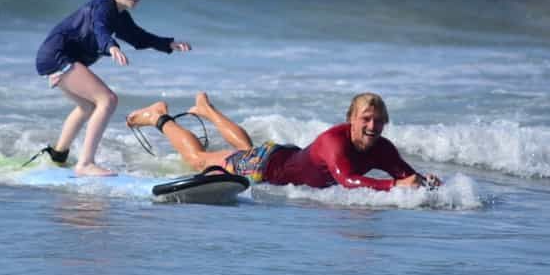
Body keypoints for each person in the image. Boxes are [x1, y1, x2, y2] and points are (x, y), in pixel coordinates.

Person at [35, 0, 192, 176]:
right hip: (58, 56)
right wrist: (111, 46)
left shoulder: (120, 16)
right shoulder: (103, 6)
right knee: (107, 100)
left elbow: (139, 37)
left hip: (56, 57)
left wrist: (168, 44)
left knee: (88, 107)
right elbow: (99, 27)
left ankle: (58, 155)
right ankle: (85, 164)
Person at [127, 92, 441, 191]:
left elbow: (404, 174)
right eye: (366, 119)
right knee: (199, 159)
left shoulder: (382, 147)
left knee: (243, 149)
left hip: (281, 156)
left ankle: (208, 110)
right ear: (351, 119)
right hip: (266, 167)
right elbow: (347, 180)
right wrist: (394, 188)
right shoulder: (335, 140)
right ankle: (159, 117)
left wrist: (427, 184)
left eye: (379, 120)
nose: (373, 126)